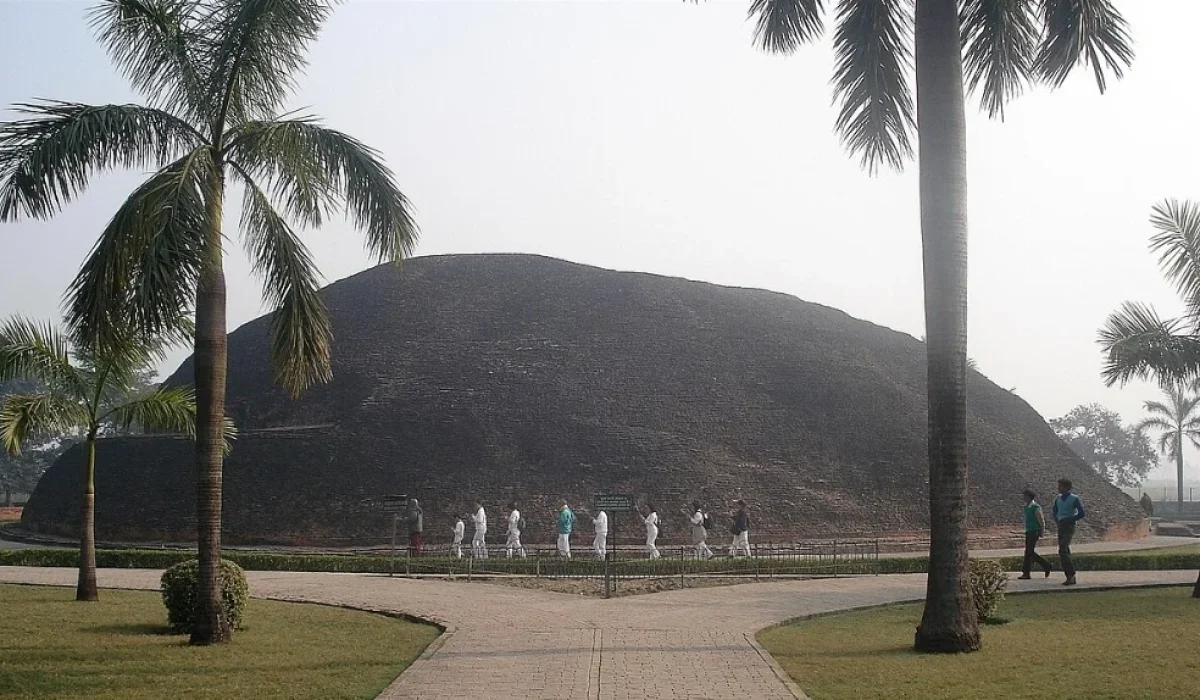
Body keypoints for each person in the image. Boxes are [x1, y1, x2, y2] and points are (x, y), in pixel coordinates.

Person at [1052, 478, 1085, 586]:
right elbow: (1055, 511)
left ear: (1066, 487)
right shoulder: (1058, 498)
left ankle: (1071, 574)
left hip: (1069, 525)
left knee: (1062, 550)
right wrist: (1057, 520)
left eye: (1060, 486)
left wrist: (1070, 519)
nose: (1058, 488)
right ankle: (1069, 576)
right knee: (1064, 550)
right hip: (1061, 525)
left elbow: (1081, 513)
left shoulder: (1074, 498)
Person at [1018, 489, 1052, 579]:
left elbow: (1041, 520)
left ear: (1029, 497)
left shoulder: (1035, 507)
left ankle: (1026, 573)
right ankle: (1046, 565)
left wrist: (1042, 532)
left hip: (1035, 531)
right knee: (1029, 552)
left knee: (1028, 552)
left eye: (1025, 496)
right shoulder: (1026, 507)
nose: (1023, 497)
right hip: (1029, 531)